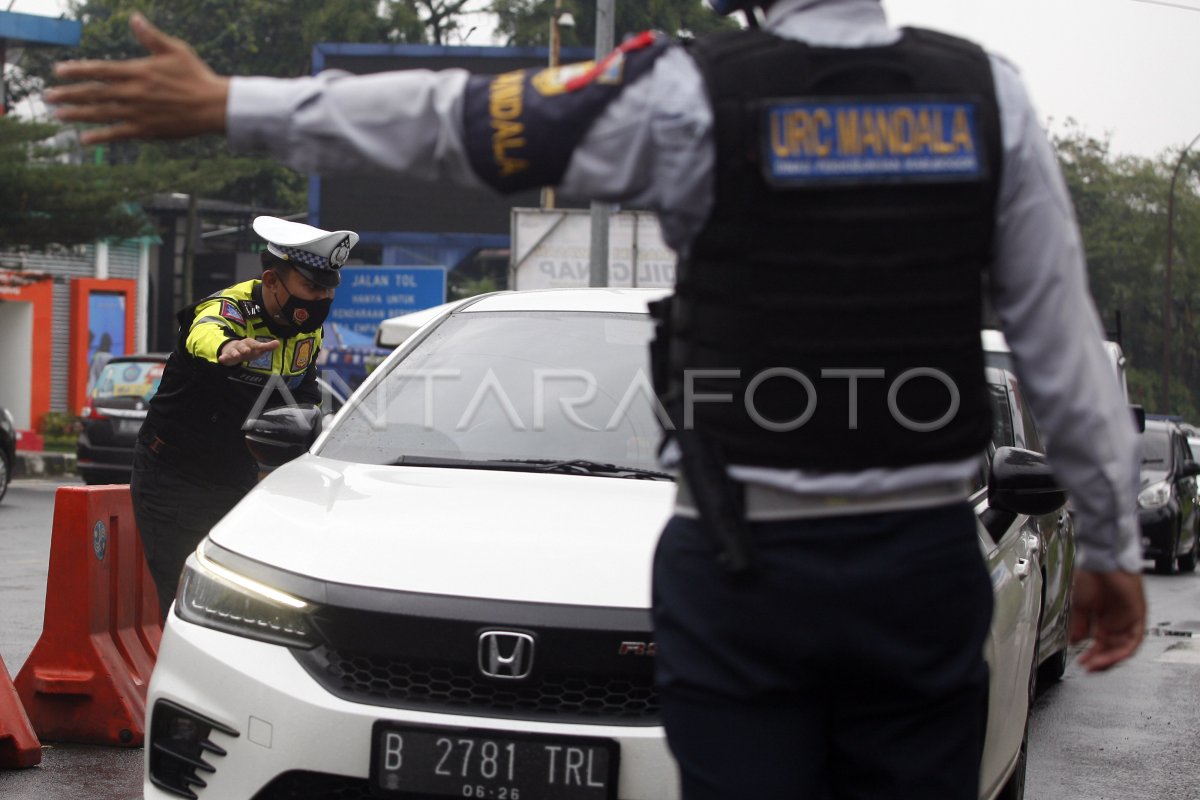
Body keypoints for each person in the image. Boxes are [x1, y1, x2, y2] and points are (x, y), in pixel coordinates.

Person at [47, 2, 1146, 796]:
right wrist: (1108, 542)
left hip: (741, 570)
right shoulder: (983, 94)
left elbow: (459, 117)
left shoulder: (690, 92)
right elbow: (1060, 340)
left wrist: (238, 101)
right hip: (917, 565)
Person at [124, 214, 357, 621]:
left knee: (250, 605)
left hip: (243, 480)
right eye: (312, 287)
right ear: (271, 281)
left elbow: (302, 395)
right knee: (191, 603)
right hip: (177, 479)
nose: (321, 299)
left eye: (328, 290)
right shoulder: (228, 309)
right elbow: (204, 330)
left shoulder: (307, 329)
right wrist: (225, 349)